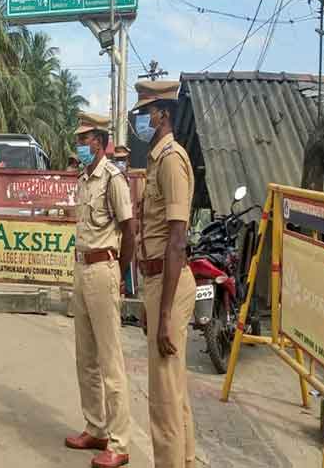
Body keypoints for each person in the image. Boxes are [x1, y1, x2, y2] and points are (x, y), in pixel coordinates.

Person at [64, 112, 135, 468]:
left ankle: (120, 443)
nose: (79, 145)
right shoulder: (85, 179)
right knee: (86, 358)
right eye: (78, 140)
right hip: (81, 268)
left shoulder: (112, 180)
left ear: (100, 142)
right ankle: (96, 427)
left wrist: (118, 273)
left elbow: (130, 229)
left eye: (85, 140)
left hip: (103, 270)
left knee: (110, 362)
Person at [132, 80, 196, 468]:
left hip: (169, 283)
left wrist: (166, 313)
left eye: (146, 112)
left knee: (164, 397)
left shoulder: (172, 160)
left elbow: (176, 241)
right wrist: (149, 303)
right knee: (174, 389)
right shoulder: (158, 158)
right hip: (157, 284)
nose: (140, 119)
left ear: (163, 115)